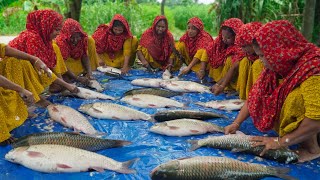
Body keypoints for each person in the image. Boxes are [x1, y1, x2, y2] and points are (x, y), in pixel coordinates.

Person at [224, 20, 320, 163]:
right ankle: (293, 136)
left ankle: (313, 149)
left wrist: (281, 142)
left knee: (295, 98)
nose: (260, 60)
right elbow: (254, 97)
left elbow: (316, 120)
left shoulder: (312, 69)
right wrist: (236, 123)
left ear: (280, 51)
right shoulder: (276, 67)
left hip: (315, 127)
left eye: (263, 55)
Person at [8, 9, 79, 95]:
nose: (58, 33)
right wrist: (67, 85)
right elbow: (42, 67)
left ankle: (55, 85)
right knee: (27, 65)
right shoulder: (32, 38)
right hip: (11, 71)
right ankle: (35, 97)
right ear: (46, 27)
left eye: (59, 30)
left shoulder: (45, 39)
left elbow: (49, 64)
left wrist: (63, 84)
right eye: (56, 30)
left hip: (29, 68)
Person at [55, 18, 99, 85]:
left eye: (77, 37)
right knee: (64, 82)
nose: (75, 40)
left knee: (90, 40)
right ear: (67, 35)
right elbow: (62, 65)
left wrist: (89, 73)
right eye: (72, 37)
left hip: (77, 66)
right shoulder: (61, 42)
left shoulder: (82, 39)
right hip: (65, 68)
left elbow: (84, 55)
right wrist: (76, 78)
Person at [209, 18, 244, 95]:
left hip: (237, 79)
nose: (224, 40)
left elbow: (233, 68)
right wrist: (218, 84)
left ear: (237, 36)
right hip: (224, 79)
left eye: (228, 38)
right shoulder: (222, 44)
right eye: (223, 37)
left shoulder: (241, 48)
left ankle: (237, 88)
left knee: (230, 60)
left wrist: (221, 85)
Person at [233, 22, 264, 99]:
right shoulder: (249, 56)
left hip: (261, 96)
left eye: (245, 46)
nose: (243, 50)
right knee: (244, 61)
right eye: (241, 47)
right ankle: (244, 96)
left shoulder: (264, 60)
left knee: (257, 63)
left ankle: (253, 99)